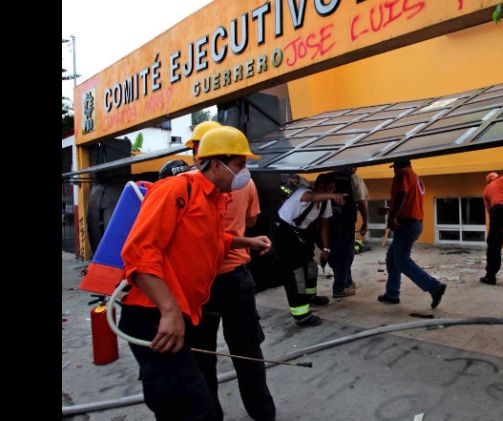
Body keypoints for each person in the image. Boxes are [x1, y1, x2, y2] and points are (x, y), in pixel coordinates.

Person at [118, 126, 272, 420]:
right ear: (216, 165)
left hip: (182, 312)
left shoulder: (215, 199)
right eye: (240, 165)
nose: (245, 172)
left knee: (186, 402)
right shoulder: (177, 189)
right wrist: (169, 310)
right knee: (191, 407)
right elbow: (139, 253)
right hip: (152, 314)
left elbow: (214, 241)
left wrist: (246, 242)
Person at [186, 125, 276, 420]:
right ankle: (263, 414)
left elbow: (208, 236)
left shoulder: (191, 185)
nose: (244, 171)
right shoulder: (235, 187)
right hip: (231, 277)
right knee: (247, 351)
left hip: (204, 280)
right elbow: (250, 221)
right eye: (241, 164)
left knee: (204, 355)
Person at [272, 173, 345, 326]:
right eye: (324, 188)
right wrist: (331, 196)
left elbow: (324, 224)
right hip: (283, 231)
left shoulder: (326, 202)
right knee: (295, 273)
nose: (328, 191)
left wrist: (326, 248)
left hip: (300, 233)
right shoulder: (304, 193)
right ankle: (301, 315)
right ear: (316, 187)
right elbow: (311, 197)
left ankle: (311, 298)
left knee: (311, 267)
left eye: (331, 189)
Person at [378, 159, 447, 309]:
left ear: (398, 165)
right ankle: (392, 293)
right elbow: (409, 201)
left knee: (401, 261)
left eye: (394, 167)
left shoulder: (402, 174)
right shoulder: (414, 176)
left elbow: (402, 194)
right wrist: (391, 210)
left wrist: (393, 217)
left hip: (406, 224)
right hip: (413, 222)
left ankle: (435, 287)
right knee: (392, 258)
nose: (393, 170)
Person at [330, 167, 370, 298]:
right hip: (345, 222)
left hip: (329, 222)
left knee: (337, 253)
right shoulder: (354, 179)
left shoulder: (327, 177)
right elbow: (361, 202)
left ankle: (347, 281)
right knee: (346, 254)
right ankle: (340, 288)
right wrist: (365, 221)